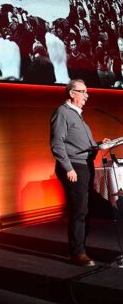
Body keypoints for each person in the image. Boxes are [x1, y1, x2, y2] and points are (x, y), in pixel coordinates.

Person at [50, 79, 110, 266]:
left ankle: (82, 247)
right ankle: (77, 253)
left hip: (85, 165)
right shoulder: (62, 112)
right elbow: (57, 144)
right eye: (83, 91)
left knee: (85, 209)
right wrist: (68, 168)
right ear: (71, 93)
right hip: (75, 167)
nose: (87, 95)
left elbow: (81, 144)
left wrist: (99, 144)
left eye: (86, 91)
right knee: (79, 210)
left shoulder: (77, 114)